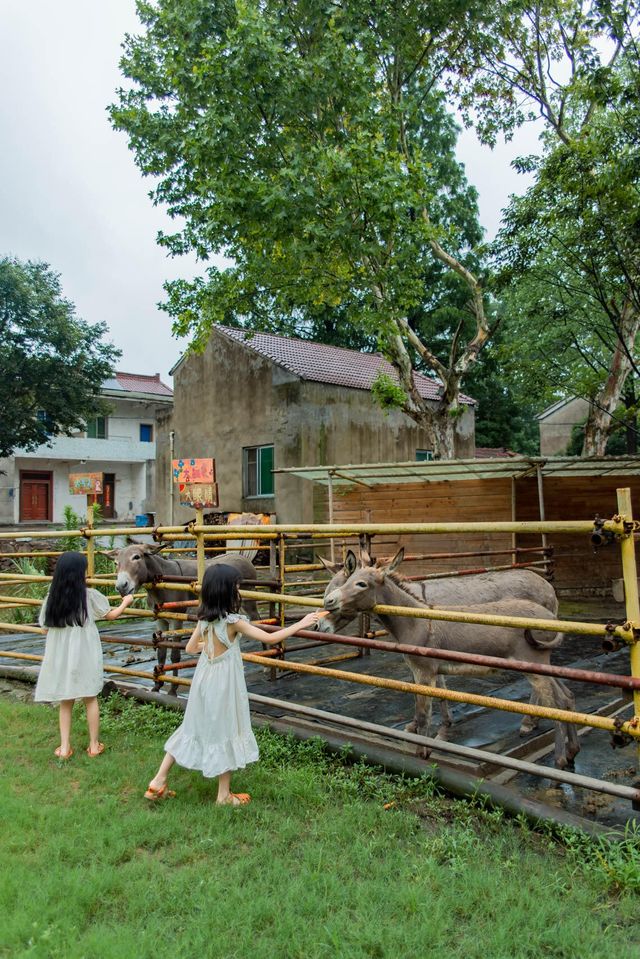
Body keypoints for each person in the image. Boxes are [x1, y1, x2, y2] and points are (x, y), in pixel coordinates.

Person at [144, 563, 327, 806]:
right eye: (236, 586)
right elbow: (270, 638)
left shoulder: (204, 619)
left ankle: (158, 780)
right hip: (223, 683)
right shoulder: (233, 621)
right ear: (227, 591)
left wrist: (210, 648)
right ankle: (223, 796)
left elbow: (190, 649)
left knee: (192, 727)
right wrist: (301, 623)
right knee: (225, 730)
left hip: (203, 680)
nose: (238, 589)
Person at [35, 551, 134, 759]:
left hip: (61, 655)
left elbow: (44, 628)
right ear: (79, 574)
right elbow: (111, 615)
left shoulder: (52, 599)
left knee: (66, 699)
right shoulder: (89, 597)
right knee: (90, 698)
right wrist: (126, 602)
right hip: (85, 653)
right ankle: (94, 745)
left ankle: (64, 748)